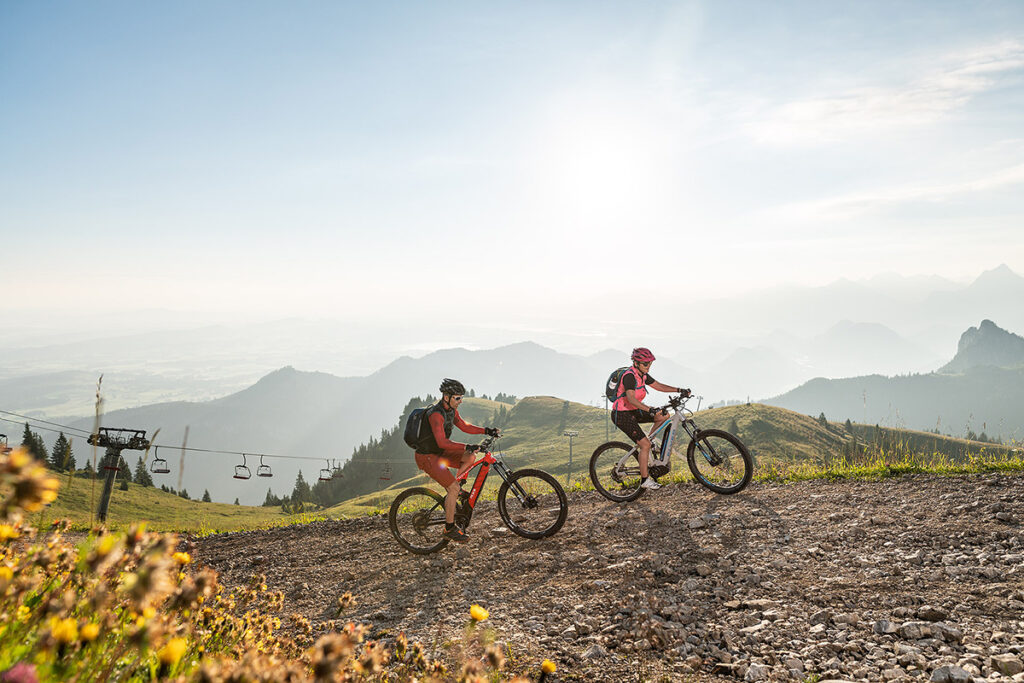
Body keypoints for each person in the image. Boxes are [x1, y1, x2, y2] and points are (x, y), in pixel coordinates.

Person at [413, 378, 501, 542]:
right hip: (427, 457)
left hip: (439, 452)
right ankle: (449, 528)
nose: (460, 401)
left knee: (470, 457)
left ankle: (457, 491)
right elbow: (442, 442)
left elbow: (465, 426)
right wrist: (467, 445)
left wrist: (487, 431)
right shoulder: (436, 415)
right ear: (446, 397)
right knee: (452, 488)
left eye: (461, 398)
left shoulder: (451, 411)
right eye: (457, 398)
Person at [610, 348, 689, 490]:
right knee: (644, 445)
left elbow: (658, 386)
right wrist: (649, 409)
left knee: (663, 415)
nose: (648, 366)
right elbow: (631, 399)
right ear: (636, 363)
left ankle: (649, 442)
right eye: (646, 364)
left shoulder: (643, 375)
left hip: (633, 410)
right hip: (622, 414)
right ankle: (645, 480)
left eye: (650, 363)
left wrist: (678, 390)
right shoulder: (630, 376)